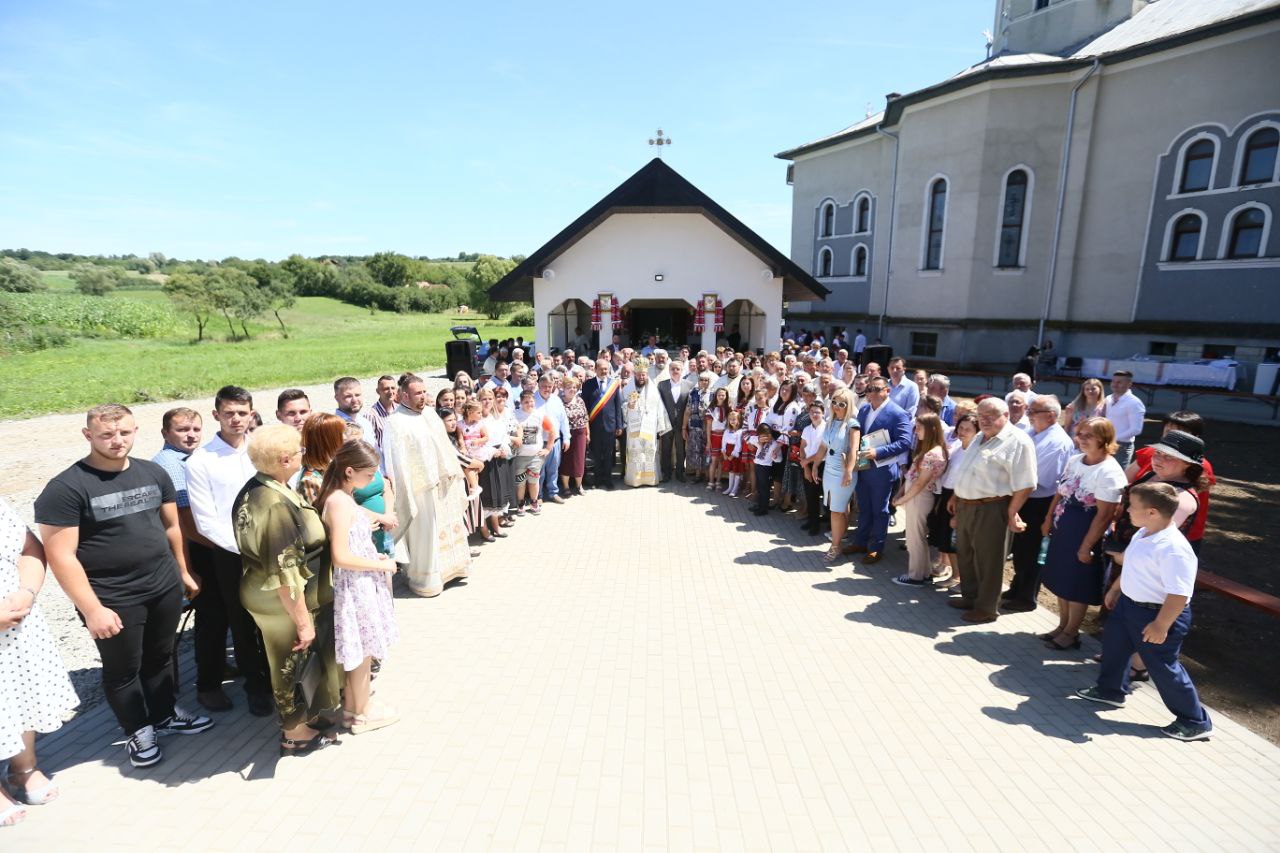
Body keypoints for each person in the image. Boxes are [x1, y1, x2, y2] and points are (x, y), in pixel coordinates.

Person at [36, 404, 210, 768]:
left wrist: (183, 570)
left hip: (162, 586)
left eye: (124, 432)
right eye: (107, 434)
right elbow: (61, 556)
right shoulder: (66, 488)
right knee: (123, 669)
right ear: (88, 435)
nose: (117, 440)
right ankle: (137, 729)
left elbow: (171, 527)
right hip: (112, 596)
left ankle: (164, 715)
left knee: (160, 657)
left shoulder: (153, 473)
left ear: (135, 431)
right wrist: (92, 609)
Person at [232, 424, 341, 756]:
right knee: (288, 662)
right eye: (298, 452)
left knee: (298, 659)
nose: (302, 456)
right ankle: (294, 733)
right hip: (283, 602)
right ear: (283, 459)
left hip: (273, 595)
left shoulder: (261, 486)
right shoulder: (274, 504)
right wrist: (303, 622)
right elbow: (284, 574)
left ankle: (308, 716)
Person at [1075, 482, 1213, 741]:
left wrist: (1161, 625)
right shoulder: (1144, 532)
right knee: (1114, 649)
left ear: (1152, 512)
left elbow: (1179, 594)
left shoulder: (1173, 548)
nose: (1127, 510)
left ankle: (1194, 721)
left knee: (1163, 667)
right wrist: (1116, 589)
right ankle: (1110, 691)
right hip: (1129, 606)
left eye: (1132, 506)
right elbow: (1132, 564)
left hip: (1158, 614)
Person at [185, 386, 273, 716]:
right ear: (216, 415)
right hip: (232, 554)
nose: (236, 419)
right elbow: (206, 520)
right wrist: (245, 549)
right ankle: (256, 687)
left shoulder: (261, 449)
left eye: (242, 413)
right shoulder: (201, 461)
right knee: (243, 621)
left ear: (252, 414)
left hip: (273, 547)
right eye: (228, 413)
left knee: (276, 618)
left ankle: (281, 679)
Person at [0, 497, 78, 824]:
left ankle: (23, 768)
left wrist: (26, 592)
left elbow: (29, 549)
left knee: (21, 694)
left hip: (18, 623)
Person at [317, 441, 400, 734]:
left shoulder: (343, 496)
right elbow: (340, 555)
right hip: (355, 585)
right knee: (362, 652)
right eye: (368, 474)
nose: (372, 479)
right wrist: (381, 565)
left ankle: (353, 711)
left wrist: (373, 558)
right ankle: (363, 714)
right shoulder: (339, 502)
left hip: (360, 580)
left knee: (362, 652)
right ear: (349, 471)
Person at [1038, 417, 1129, 650]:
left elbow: (1104, 515)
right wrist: (1048, 518)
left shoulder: (1109, 472)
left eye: (1089, 435)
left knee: (1077, 584)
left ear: (1104, 439)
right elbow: (1060, 493)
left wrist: (1086, 546)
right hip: (1064, 530)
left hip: (1085, 533)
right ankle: (1062, 625)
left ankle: (1071, 633)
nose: (1082, 439)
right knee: (1062, 579)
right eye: (1080, 434)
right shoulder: (1075, 460)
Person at [945, 397, 1038, 623]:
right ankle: (970, 597)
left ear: (1006, 416)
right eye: (981, 416)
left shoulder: (1018, 441)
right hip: (967, 505)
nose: (984, 420)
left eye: (990, 416)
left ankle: (986, 608)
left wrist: (1011, 512)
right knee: (966, 554)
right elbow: (968, 469)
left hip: (992, 507)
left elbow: (1026, 484)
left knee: (989, 561)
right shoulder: (980, 436)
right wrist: (957, 496)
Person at [383, 375, 472, 597]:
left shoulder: (431, 414)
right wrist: (404, 492)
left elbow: (445, 446)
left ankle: (454, 570)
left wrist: (455, 472)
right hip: (421, 489)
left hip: (445, 484)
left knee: (450, 526)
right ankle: (427, 580)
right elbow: (396, 461)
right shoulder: (395, 422)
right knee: (428, 535)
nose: (423, 397)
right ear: (404, 395)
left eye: (424, 392)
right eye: (417, 393)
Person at [1003, 395, 1075, 613]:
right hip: (1024, 497)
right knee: (1020, 549)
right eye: (1030, 411)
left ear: (1051, 416)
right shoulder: (1033, 433)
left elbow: (1035, 478)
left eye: (1034, 412)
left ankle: (1027, 597)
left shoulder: (1057, 442)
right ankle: (1017, 587)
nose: (1029, 415)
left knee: (1031, 552)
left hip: (1039, 503)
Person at [1128, 411, 1216, 554]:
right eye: (1168, 431)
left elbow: (1161, 533)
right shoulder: (1152, 454)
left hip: (1156, 546)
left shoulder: (1199, 468)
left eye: (1180, 433)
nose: (1172, 437)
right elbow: (1126, 478)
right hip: (1131, 537)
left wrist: (1124, 555)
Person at [849, 378, 912, 564]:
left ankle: (876, 547)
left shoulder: (898, 413)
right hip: (863, 466)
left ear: (887, 390)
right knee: (864, 507)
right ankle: (860, 542)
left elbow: (905, 442)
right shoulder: (864, 409)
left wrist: (878, 452)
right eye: (869, 389)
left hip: (882, 470)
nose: (872, 393)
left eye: (877, 389)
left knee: (879, 510)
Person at [892, 413, 949, 586]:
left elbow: (920, 483)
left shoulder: (933, 454)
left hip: (920, 497)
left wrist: (902, 499)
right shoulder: (928, 450)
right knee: (917, 537)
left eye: (919, 427)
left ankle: (915, 576)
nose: (915, 431)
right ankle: (924, 572)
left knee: (914, 538)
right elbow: (912, 477)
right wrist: (900, 493)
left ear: (931, 429)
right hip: (916, 496)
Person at [928, 412, 979, 589]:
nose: (962, 432)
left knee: (955, 540)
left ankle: (960, 578)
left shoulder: (974, 452)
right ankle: (954, 574)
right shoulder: (958, 448)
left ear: (977, 432)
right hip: (946, 494)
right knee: (946, 539)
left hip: (959, 497)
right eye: (961, 428)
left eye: (968, 429)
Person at [813, 388, 862, 563]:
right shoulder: (830, 421)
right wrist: (815, 465)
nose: (837, 406)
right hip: (828, 469)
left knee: (836, 510)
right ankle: (839, 542)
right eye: (834, 402)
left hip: (843, 471)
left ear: (849, 405)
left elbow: (854, 450)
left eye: (842, 404)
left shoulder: (852, 424)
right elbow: (823, 447)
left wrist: (848, 471)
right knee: (837, 509)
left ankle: (835, 546)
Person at [623, 359, 671, 487]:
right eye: (639, 374)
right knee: (635, 452)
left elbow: (659, 408)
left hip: (649, 428)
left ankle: (650, 479)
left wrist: (661, 427)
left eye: (643, 374)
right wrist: (628, 406)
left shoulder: (653, 389)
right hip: (634, 428)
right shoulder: (627, 389)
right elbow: (621, 405)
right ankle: (635, 480)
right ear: (634, 374)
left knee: (650, 452)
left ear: (647, 374)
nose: (641, 377)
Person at [581, 359, 624, 490]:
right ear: (595, 369)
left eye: (606, 369)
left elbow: (618, 405)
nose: (604, 371)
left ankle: (608, 480)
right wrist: (586, 427)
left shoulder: (614, 384)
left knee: (608, 455)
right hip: (594, 426)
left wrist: (619, 425)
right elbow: (584, 406)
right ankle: (598, 479)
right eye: (601, 369)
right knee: (596, 454)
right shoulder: (588, 384)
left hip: (610, 426)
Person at [512, 391, 557, 514]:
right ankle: (520, 503)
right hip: (520, 456)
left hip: (535, 456)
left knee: (533, 481)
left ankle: (534, 502)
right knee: (520, 482)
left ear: (534, 401)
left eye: (531, 401)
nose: (529, 404)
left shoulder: (540, 415)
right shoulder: (514, 414)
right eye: (526, 402)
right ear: (521, 403)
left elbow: (552, 431)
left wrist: (548, 448)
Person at [534, 372, 571, 504]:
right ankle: (538, 495)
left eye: (549, 386)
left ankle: (553, 492)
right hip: (539, 442)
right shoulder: (533, 400)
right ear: (539, 385)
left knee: (553, 469)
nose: (547, 389)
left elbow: (564, 420)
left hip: (555, 441)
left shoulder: (556, 400)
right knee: (539, 471)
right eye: (544, 386)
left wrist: (566, 438)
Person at [297, 413, 347, 506]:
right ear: (326, 439)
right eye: (340, 433)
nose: (345, 437)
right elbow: (318, 513)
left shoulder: (331, 466)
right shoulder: (310, 481)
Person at [1103, 370, 1146, 468]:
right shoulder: (1108, 398)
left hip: (1122, 446)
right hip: (1106, 442)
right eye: (1113, 381)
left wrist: (1114, 438)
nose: (1115, 384)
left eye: (1119, 382)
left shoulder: (1134, 403)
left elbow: (1136, 429)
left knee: (1117, 474)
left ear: (1129, 384)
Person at [657, 361, 689, 484]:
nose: (675, 371)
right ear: (669, 370)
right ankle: (666, 473)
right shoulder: (662, 385)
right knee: (665, 449)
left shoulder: (689, 385)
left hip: (682, 424)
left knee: (681, 450)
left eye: (678, 369)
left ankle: (680, 472)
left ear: (682, 370)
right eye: (673, 369)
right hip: (666, 423)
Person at [798, 400, 827, 535]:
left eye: (817, 412)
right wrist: (806, 467)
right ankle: (812, 521)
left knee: (820, 496)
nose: (814, 414)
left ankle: (821, 524)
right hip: (807, 464)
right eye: (812, 412)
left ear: (823, 413)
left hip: (822, 464)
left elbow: (823, 451)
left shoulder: (826, 429)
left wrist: (806, 462)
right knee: (810, 495)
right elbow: (802, 447)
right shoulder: (807, 429)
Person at [558, 376, 589, 497]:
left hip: (580, 434)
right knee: (566, 461)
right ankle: (566, 487)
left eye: (574, 387)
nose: (572, 389)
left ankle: (579, 486)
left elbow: (585, 418)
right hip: (566, 435)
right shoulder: (559, 401)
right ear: (563, 388)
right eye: (569, 387)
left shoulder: (580, 400)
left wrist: (587, 433)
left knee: (579, 460)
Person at [750, 424, 785, 516]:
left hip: (766, 467)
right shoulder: (760, 441)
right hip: (758, 465)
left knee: (764, 488)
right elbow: (750, 439)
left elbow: (779, 459)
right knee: (759, 487)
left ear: (770, 434)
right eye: (761, 436)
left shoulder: (775, 444)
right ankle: (759, 505)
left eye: (765, 435)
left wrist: (775, 456)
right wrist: (759, 440)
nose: (764, 438)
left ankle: (763, 508)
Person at [683, 372, 711, 484]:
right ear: (698, 381)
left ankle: (707, 475)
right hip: (694, 426)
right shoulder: (693, 393)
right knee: (696, 450)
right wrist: (684, 427)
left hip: (708, 427)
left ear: (709, 382)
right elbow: (688, 410)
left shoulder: (713, 394)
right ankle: (698, 474)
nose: (704, 382)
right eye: (702, 380)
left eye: (706, 380)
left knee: (707, 450)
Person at [365, 375, 397, 456]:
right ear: (378, 391)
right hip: (382, 460)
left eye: (393, 388)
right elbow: (368, 445)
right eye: (386, 389)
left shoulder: (400, 410)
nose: (390, 392)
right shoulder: (370, 415)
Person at [705, 387, 730, 491]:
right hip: (714, 437)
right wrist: (708, 441)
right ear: (716, 396)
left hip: (724, 437)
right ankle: (711, 482)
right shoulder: (711, 409)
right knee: (714, 460)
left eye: (723, 395)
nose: (721, 397)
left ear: (726, 396)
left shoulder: (728, 409)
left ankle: (718, 481)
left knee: (721, 461)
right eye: (719, 395)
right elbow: (708, 426)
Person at [720, 411, 746, 497]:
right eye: (730, 419)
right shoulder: (727, 431)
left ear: (738, 420)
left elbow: (739, 445)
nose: (732, 421)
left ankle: (735, 489)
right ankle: (729, 488)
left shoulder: (740, 432)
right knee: (731, 470)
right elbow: (723, 442)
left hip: (735, 454)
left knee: (737, 471)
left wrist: (733, 455)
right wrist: (724, 453)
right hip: (727, 452)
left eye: (734, 419)